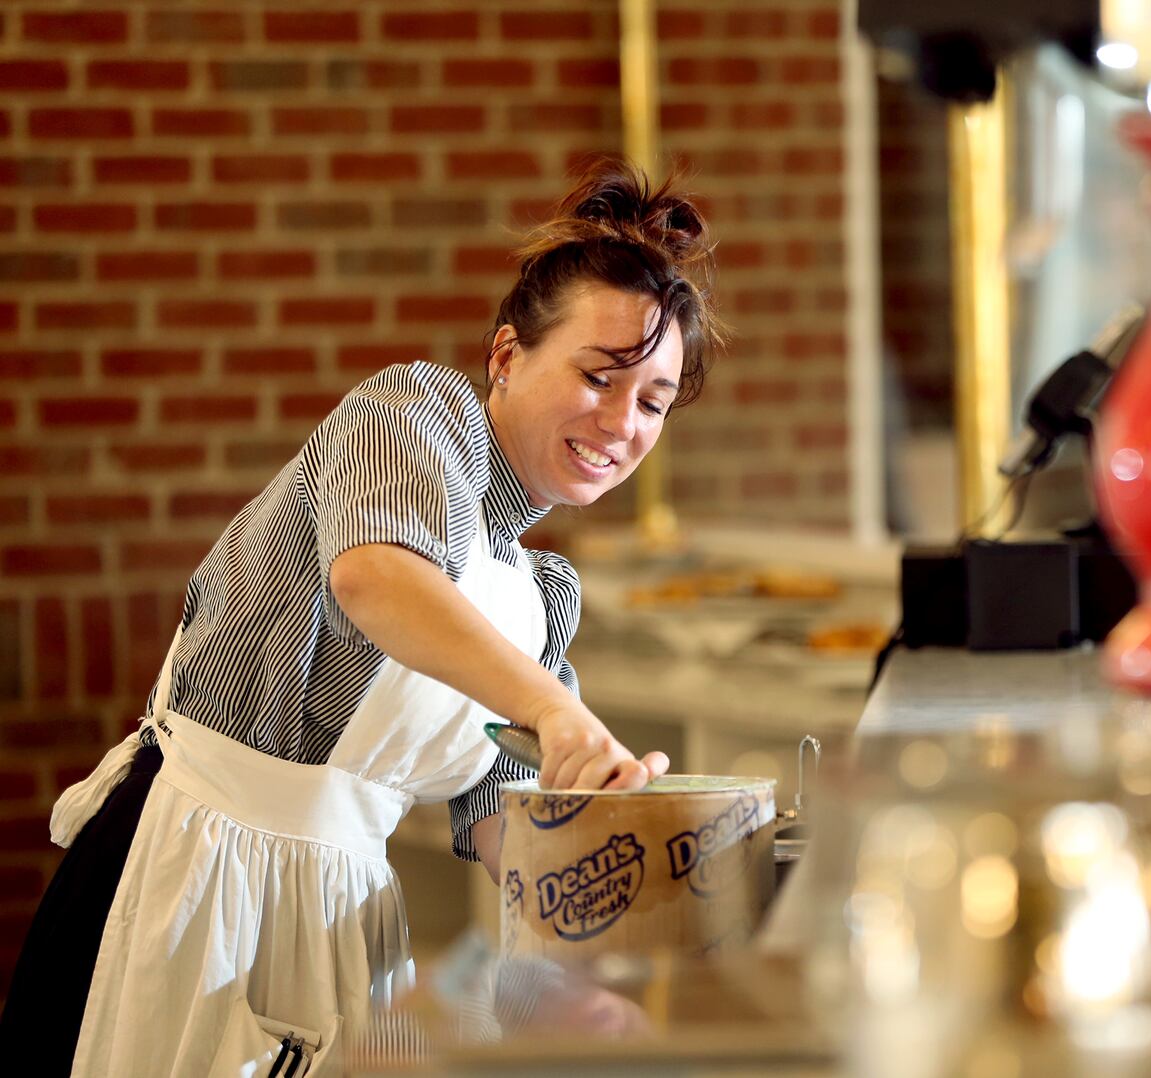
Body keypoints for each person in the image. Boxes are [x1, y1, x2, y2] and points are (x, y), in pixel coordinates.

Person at [0, 157, 725, 1076]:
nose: (623, 423)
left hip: (341, 926)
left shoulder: (540, 598)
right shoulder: (416, 419)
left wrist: (601, 836)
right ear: (507, 356)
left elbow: (500, 825)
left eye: (653, 401)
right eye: (597, 377)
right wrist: (557, 712)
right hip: (187, 882)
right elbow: (376, 578)